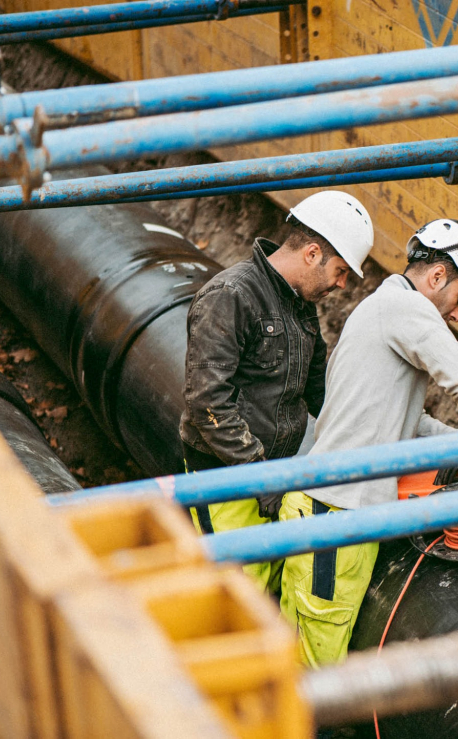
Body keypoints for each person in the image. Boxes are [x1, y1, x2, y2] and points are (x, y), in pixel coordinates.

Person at [278, 218, 458, 667]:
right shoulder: (407, 309)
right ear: (437, 276)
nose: (457, 314)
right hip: (335, 518)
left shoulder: (377, 311)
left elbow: (407, 423)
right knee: (314, 672)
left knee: (308, 657)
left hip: (327, 510)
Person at [179, 190, 374, 592]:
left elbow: (319, 390)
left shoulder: (299, 304)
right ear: (312, 253)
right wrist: (260, 477)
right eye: (340, 271)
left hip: (276, 475)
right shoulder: (231, 296)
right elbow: (208, 403)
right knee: (236, 598)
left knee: (265, 590)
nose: (341, 284)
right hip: (227, 481)